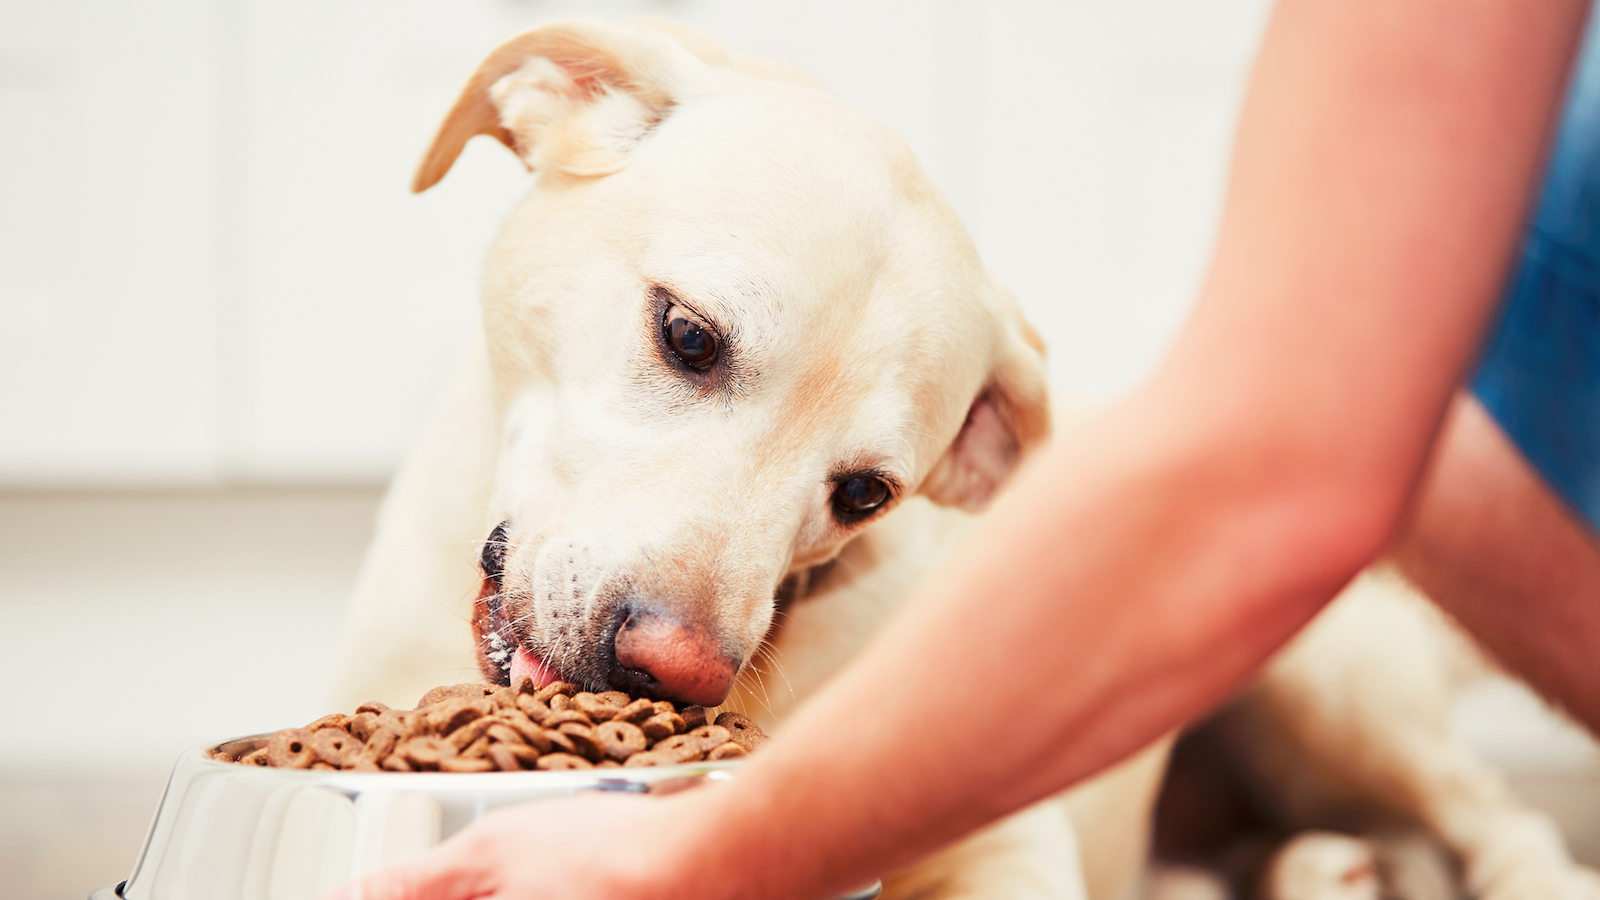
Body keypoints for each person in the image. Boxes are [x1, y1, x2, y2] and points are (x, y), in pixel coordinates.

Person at [329, 1, 1600, 897]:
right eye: (691, 345)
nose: (699, 641)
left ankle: (1495, 853)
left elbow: (1010, 853)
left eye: (857, 489)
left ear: (969, 465)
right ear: (552, 102)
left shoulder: (944, 526)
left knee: (1336, 562)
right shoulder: (474, 480)